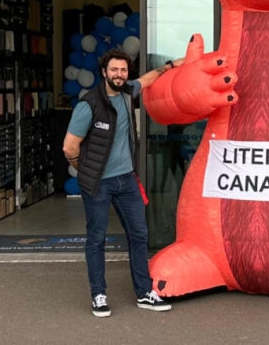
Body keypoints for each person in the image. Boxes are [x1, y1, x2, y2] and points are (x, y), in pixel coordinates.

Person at [63, 49, 181, 317]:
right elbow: (69, 147)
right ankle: (99, 295)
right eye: (114, 70)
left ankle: (143, 293)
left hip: (127, 180)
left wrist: (172, 65)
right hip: (99, 184)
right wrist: (87, 173)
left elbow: (149, 79)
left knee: (139, 235)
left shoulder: (128, 92)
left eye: (123, 70)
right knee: (96, 238)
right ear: (104, 72)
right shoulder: (89, 104)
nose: (119, 75)